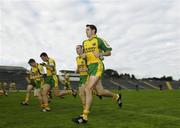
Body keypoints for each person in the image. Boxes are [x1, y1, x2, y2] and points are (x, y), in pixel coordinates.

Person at [73, 24, 122, 124]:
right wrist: (82, 55)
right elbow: (85, 56)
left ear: (93, 30)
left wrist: (100, 54)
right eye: (85, 30)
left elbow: (109, 52)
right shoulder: (84, 42)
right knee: (100, 92)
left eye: (87, 30)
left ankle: (85, 116)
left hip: (97, 66)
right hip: (90, 68)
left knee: (88, 89)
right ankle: (116, 96)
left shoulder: (99, 40)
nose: (86, 31)